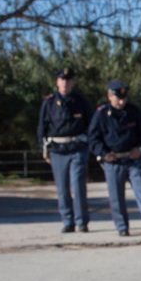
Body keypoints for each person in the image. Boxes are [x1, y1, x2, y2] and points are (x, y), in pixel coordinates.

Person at [87, 80, 141, 236]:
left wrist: (140, 148)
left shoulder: (133, 111)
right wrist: (103, 153)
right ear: (110, 96)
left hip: (132, 158)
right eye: (118, 98)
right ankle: (122, 227)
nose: (122, 101)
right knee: (116, 196)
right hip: (113, 160)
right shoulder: (102, 114)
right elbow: (93, 139)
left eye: (124, 98)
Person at [37, 66, 92, 233]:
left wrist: (90, 145)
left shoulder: (80, 101)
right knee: (62, 188)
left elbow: (91, 125)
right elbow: (42, 127)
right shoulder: (49, 102)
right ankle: (68, 220)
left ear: (73, 82)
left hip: (77, 148)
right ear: (57, 81)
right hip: (58, 150)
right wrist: (43, 149)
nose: (65, 83)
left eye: (68, 80)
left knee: (78, 186)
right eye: (62, 79)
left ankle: (81, 221)